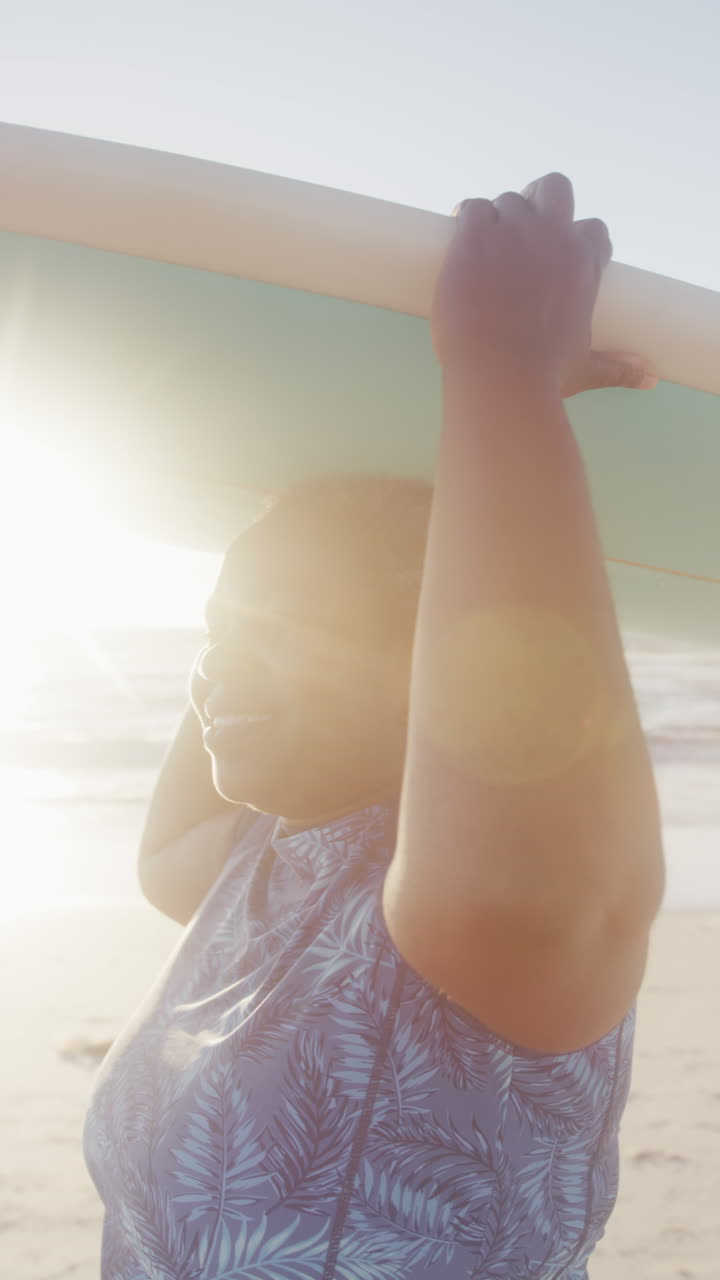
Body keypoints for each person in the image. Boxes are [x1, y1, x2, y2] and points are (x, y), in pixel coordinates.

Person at [84, 172, 665, 1279]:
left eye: (287, 623)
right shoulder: (258, 873)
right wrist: (309, 488)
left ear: (441, 662)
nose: (219, 660)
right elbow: (166, 850)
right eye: (216, 627)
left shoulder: (480, 927)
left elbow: (520, 830)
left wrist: (503, 378)